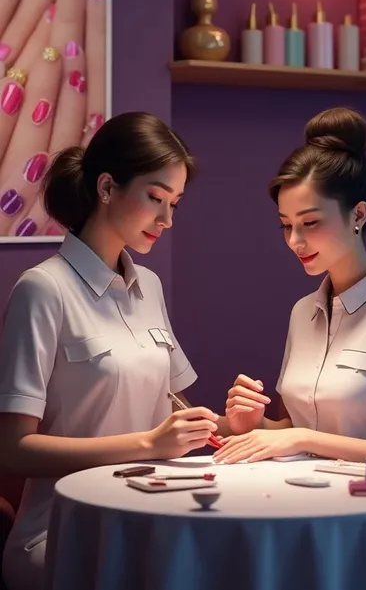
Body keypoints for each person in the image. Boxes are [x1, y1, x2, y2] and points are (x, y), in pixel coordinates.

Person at [0, 112, 220, 590]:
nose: (166, 219)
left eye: (175, 204)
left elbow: (171, 405)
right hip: (64, 530)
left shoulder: (150, 287)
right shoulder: (42, 290)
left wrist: (229, 426)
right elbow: (12, 450)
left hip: (149, 517)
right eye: (156, 198)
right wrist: (148, 445)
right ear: (106, 187)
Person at [215, 107, 366, 469]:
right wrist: (257, 425)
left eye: (309, 222)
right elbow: (294, 427)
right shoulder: (303, 312)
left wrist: (303, 438)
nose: (295, 241)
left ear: (358, 215)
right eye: (286, 225)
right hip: (296, 492)